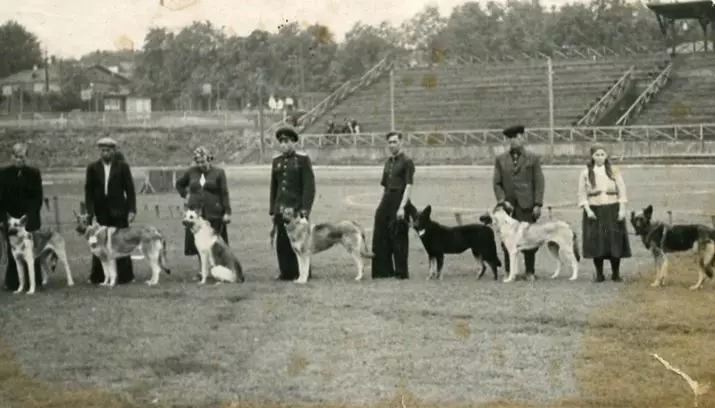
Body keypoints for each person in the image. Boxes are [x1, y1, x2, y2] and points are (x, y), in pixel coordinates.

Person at [492, 124, 545, 281]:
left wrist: (538, 203)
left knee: (529, 238)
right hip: (509, 207)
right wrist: (502, 201)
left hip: (527, 204)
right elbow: (496, 183)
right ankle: (510, 271)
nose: (516, 140)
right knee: (507, 240)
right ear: (508, 140)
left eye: (519, 137)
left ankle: (530, 271)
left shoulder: (532, 158)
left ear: (523, 138)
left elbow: (539, 182)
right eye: (513, 138)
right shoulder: (501, 160)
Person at [84, 137, 137, 285]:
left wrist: (132, 209)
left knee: (121, 242)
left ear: (114, 151)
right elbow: (88, 191)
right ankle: (98, 276)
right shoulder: (92, 168)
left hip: (119, 210)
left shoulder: (122, 167)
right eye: (103, 150)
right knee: (97, 243)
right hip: (100, 212)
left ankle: (126, 276)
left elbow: (130, 189)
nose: (105, 153)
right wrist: (90, 212)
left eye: (108, 150)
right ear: (99, 151)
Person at [577, 143, 631, 282]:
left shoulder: (614, 171)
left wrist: (622, 209)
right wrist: (588, 210)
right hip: (595, 211)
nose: (600, 158)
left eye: (602, 154)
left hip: (612, 209)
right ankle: (599, 274)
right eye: (597, 155)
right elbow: (582, 195)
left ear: (606, 156)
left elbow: (622, 190)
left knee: (614, 242)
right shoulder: (585, 172)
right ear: (592, 156)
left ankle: (616, 273)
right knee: (597, 242)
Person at [269, 127, 316, 281]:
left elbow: (309, 186)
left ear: (293, 142)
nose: (283, 145)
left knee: (301, 242)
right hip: (281, 209)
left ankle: (303, 272)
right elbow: (274, 187)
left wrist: (305, 209)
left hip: (296, 209)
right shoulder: (276, 161)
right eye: (281, 142)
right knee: (282, 242)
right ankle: (286, 272)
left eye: (287, 141)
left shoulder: (302, 160)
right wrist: (273, 210)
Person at [175, 147, 231, 267]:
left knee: (216, 242)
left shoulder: (219, 172)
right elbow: (179, 184)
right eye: (198, 162)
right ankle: (203, 270)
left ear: (209, 159)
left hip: (214, 211)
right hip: (196, 213)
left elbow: (224, 192)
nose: (200, 164)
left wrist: (227, 212)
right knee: (199, 242)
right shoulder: (191, 172)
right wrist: (186, 195)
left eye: (203, 161)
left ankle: (220, 268)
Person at [1, 143, 46, 291]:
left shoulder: (34, 173)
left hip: (29, 219)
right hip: (10, 219)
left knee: (32, 250)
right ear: (12, 157)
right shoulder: (3, 173)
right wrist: (2, 220)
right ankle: (14, 281)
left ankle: (35, 280)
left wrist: (30, 217)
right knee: (13, 250)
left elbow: (37, 197)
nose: (20, 160)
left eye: (23, 157)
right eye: (17, 157)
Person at [371, 131, 415, 280]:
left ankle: (401, 272)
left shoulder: (407, 162)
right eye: (389, 142)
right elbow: (385, 185)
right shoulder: (389, 162)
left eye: (394, 142)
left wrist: (402, 206)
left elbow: (409, 185)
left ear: (401, 142)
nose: (392, 145)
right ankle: (383, 271)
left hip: (400, 198)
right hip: (387, 198)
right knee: (380, 232)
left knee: (399, 235)